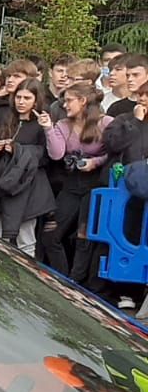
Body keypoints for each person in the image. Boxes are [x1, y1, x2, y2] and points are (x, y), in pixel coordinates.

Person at [43, 84, 113, 282]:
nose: (64, 105)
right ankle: (61, 278)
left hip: (96, 183)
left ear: (83, 101)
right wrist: (49, 128)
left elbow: (114, 154)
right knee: (51, 234)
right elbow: (56, 154)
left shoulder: (105, 123)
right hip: (72, 182)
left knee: (84, 236)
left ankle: (76, 282)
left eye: (69, 100)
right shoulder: (64, 124)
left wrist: (95, 162)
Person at [0, 78, 53, 256]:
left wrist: (17, 150)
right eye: (18, 97)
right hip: (2, 183)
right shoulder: (6, 119)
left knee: (25, 240)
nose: (21, 102)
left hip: (29, 187)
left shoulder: (41, 124)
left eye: (27, 98)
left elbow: (46, 157)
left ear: (36, 101)